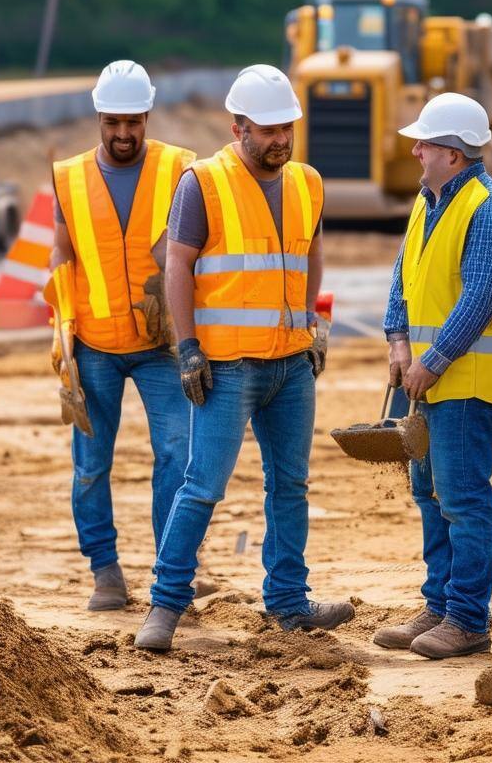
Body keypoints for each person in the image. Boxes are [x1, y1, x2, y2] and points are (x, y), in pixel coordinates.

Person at [134, 64, 348, 652]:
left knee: (291, 486)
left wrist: (314, 321)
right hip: (227, 366)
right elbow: (176, 264)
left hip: (291, 364)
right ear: (238, 129)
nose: (280, 139)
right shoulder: (202, 183)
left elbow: (312, 254)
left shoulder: (308, 182)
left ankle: (288, 602)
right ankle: (165, 605)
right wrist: (187, 348)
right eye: (268, 130)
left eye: (288, 129)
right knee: (202, 486)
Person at [372, 92, 492, 660]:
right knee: (430, 497)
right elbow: (403, 270)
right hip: (428, 380)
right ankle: (438, 605)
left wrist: (431, 360)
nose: (415, 150)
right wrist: (396, 337)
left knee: (462, 498)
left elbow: (479, 298)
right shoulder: (429, 200)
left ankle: (466, 618)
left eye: (426, 143)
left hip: (465, 384)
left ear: (455, 154)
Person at [46, 60, 195, 611]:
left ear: (147, 116)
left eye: (134, 121)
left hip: (161, 346)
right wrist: (61, 328)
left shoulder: (182, 168)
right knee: (90, 464)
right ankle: (105, 572)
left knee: (178, 453)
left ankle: (170, 569)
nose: (124, 133)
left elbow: (196, 247)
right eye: (113, 122)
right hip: (93, 344)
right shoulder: (68, 176)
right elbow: (63, 249)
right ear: (99, 119)